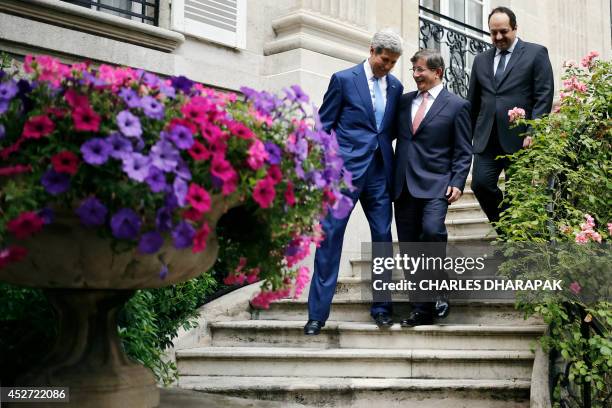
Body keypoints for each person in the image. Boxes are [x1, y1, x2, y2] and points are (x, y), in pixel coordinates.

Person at [304, 30, 404, 335]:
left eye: (393, 63)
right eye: (384, 60)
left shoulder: (397, 87)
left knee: (383, 239)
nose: (387, 67)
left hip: (379, 173)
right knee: (330, 239)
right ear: (372, 51)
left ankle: (382, 308)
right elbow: (324, 127)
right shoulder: (343, 79)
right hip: (343, 174)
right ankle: (317, 315)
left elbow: (388, 130)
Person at [393, 49, 472, 327]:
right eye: (413, 70)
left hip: (437, 183)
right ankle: (421, 309)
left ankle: (439, 284)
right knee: (410, 247)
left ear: (437, 72)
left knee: (431, 231)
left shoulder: (457, 105)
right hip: (403, 185)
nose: (415, 75)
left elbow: (464, 150)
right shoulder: (402, 103)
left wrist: (458, 181)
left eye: (420, 70)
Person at [468, 6, 554, 227]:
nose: (498, 37)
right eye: (493, 32)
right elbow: (473, 103)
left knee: (518, 197)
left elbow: (543, 96)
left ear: (515, 28)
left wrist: (534, 131)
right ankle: (508, 234)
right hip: (487, 139)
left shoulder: (536, 53)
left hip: (520, 140)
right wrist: (466, 137)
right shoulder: (480, 60)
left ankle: (516, 249)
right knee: (480, 185)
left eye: (503, 31)